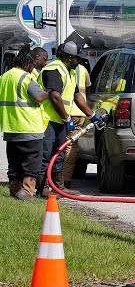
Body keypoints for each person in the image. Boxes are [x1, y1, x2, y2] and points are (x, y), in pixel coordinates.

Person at [36, 41, 105, 198]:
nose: (79, 62)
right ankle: (43, 188)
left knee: (59, 154)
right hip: (47, 120)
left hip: (58, 120)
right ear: (69, 57)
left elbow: (77, 97)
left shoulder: (70, 71)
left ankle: (59, 186)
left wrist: (92, 115)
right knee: (46, 155)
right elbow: (55, 97)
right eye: (77, 59)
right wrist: (67, 118)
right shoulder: (54, 70)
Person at [0, 45, 49, 201]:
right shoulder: (25, 77)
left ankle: (14, 190)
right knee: (32, 161)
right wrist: (49, 92)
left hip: (11, 127)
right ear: (27, 63)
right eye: (32, 66)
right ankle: (27, 192)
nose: (32, 69)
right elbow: (38, 97)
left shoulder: (4, 77)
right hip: (29, 127)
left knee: (14, 162)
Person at [61, 61, 92, 191]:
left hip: (62, 111)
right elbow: (88, 89)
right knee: (70, 148)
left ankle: (57, 181)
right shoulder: (83, 70)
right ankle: (65, 181)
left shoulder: (60, 69)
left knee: (59, 146)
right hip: (79, 113)